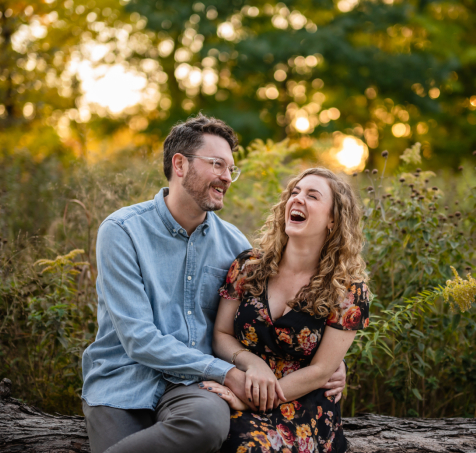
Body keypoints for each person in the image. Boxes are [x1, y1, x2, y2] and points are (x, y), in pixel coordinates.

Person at [80, 115, 347, 453]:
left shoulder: (235, 246)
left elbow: (261, 322)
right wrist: (228, 373)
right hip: (124, 382)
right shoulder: (122, 231)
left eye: (231, 169)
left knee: (207, 425)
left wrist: (331, 364)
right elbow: (138, 339)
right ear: (180, 165)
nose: (227, 177)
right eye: (217, 165)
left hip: (195, 388)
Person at [199, 167, 370, 453]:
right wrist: (252, 367)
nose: (298, 199)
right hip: (241, 382)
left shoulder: (348, 290)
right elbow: (221, 333)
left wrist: (252, 401)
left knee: (249, 448)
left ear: (332, 219)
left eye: (312, 196)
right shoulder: (248, 266)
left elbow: (321, 371)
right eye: (295, 193)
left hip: (303, 404)